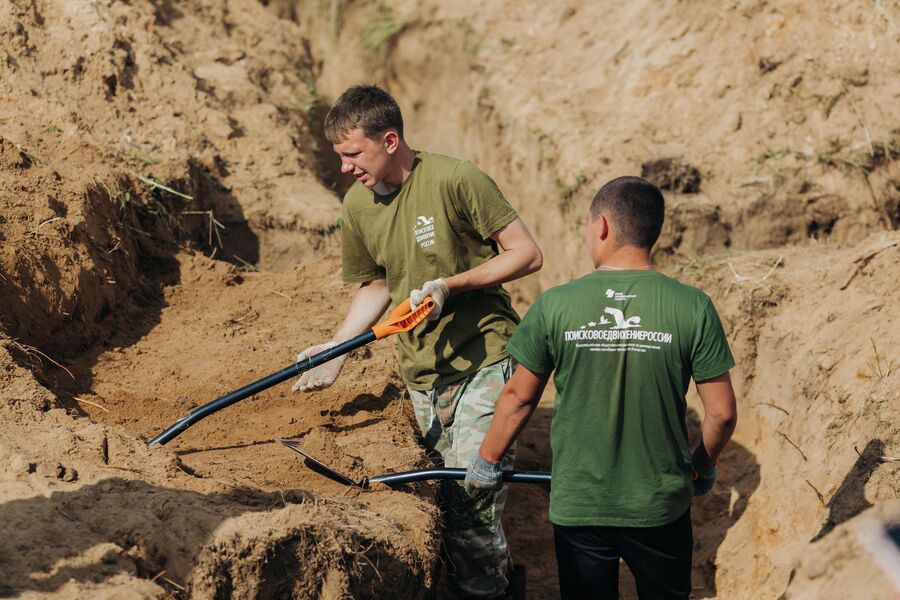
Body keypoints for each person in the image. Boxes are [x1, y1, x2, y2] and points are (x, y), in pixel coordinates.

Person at [292, 84, 543, 598]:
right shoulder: (358, 206)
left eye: (352, 154)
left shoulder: (455, 179)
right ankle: (495, 581)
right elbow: (379, 283)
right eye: (339, 157)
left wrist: (456, 284)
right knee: (450, 510)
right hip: (422, 377)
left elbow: (526, 254)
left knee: (473, 499)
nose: (345, 168)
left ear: (389, 140)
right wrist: (337, 349)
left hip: (486, 359)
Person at [464, 176, 738, 599]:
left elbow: (519, 397)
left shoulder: (556, 304)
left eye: (587, 226)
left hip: (581, 505)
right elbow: (721, 413)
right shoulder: (693, 306)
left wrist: (487, 459)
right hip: (660, 505)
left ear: (603, 226)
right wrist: (703, 464)